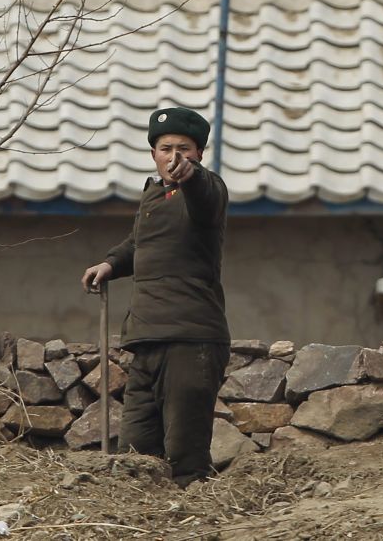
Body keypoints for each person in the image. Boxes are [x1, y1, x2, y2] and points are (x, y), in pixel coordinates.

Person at [81, 107, 230, 486]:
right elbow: (139, 243)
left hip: (190, 337)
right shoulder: (153, 197)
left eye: (184, 147)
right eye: (166, 147)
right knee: (135, 453)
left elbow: (203, 193)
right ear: (153, 154)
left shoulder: (207, 191)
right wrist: (111, 264)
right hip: (146, 337)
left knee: (184, 453)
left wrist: (191, 177)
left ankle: (194, 518)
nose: (174, 155)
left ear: (198, 154)